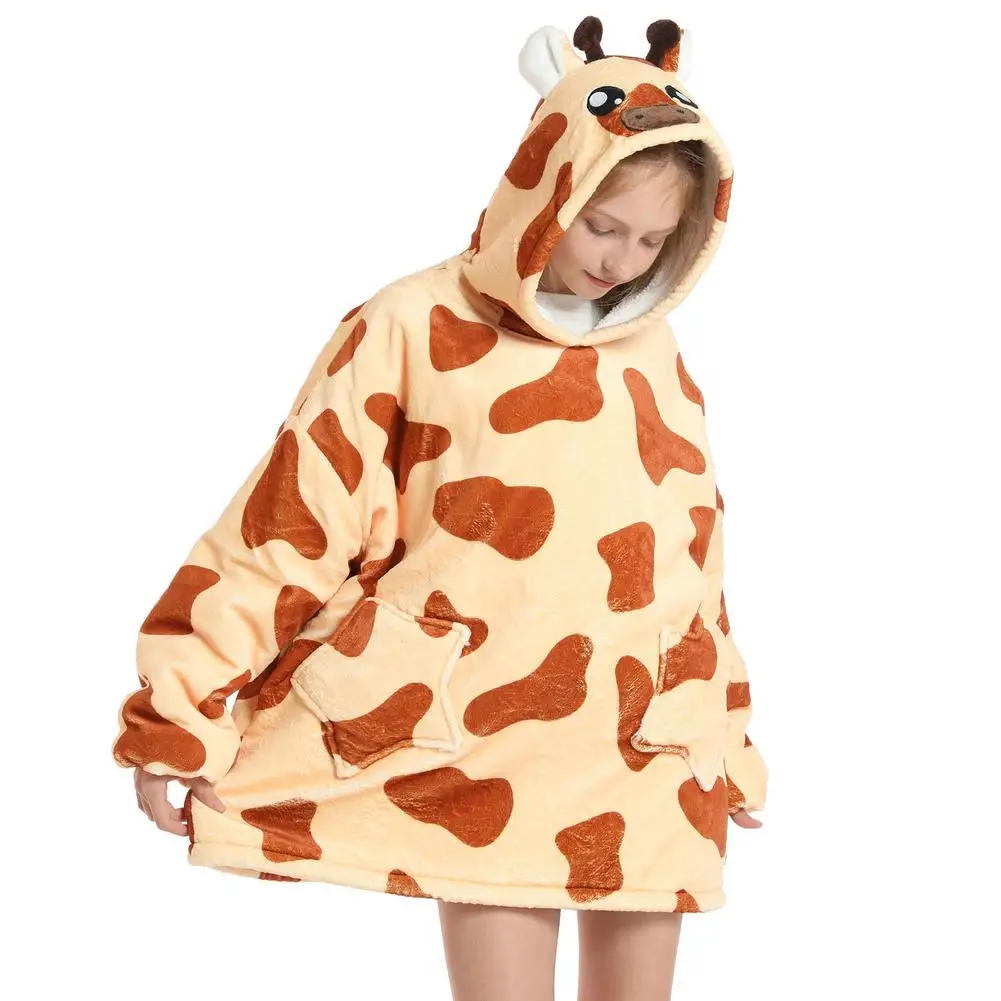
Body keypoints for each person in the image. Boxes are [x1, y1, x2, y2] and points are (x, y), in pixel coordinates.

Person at [114, 16, 768, 1001]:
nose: (619, 261)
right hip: (476, 740)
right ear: (546, 185)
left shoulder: (652, 353)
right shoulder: (412, 323)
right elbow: (288, 524)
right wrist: (179, 708)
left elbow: (694, 561)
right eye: (600, 225)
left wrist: (728, 733)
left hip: (645, 745)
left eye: (650, 241)